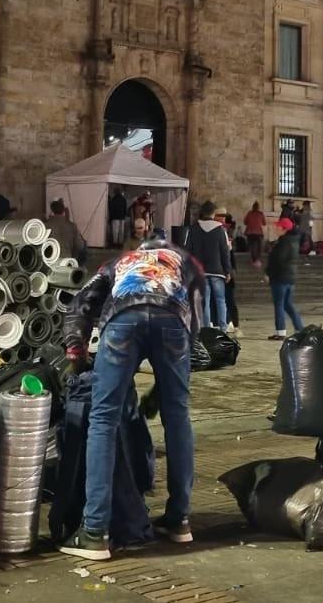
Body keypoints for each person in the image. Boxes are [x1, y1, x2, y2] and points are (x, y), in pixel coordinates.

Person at [60, 230, 205, 561]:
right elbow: (197, 316)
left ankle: (95, 531)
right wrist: (170, 383)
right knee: (178, 417)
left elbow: (82, 301)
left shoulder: (120, 262)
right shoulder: (186, 263)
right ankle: (179, 519)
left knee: (103, 419)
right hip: (174, 321)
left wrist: (75, 347)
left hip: (123, 320)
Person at [186, 200, 233, 330]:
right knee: (220, 300)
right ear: (213, 213)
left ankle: (206, 328)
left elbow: (188, 251)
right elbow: (225, 252)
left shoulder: (194, 229)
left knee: (204, 301)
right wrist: (228, 270)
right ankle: (223, 327)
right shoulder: (220, 230)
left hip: (201, 271)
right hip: (217, 270)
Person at [265, 217, 303, 338]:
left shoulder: (283, 242)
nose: (276, 228)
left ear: (284, 229)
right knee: (288, 304)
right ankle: (300, 329)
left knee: (279, 304)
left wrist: (269, 273)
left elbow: (277, 260)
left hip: (280, 277)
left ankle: (281, 331)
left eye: (278, 227)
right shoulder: (294, 241)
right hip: (290, 277)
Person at [214, 207, 242, 336]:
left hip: (226, 269)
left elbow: (229, 255)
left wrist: (230, 270)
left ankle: (234, 324)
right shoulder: (219, 231)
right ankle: (227, 322)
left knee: (228, 298)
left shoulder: (225, 231)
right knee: (221, 298)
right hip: (221, 269)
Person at [46, 199, 87, 266]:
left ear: (52, 210)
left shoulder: (45, 225)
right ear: (63, 211)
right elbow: (80, 246)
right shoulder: (72, 226)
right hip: (67, 261)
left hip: (50, 261)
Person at [243, 201, 266, 265]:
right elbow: (264, 223)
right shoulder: (261, 214)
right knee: (259, 247)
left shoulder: (249, 213)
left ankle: (253, 259)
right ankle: (257, 259)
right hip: (259, 233)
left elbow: (245, 222)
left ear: (253, 207)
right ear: (258, 207)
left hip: (250, 232)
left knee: (252, 246)